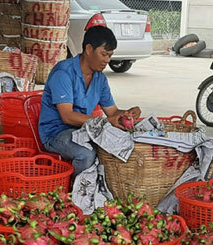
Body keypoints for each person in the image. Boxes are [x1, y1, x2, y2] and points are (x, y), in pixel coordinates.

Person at [38, 26, 141, 175]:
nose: (107, 60)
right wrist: (105, 122)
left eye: (110, 56)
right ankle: (77, 192)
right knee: (86, 153)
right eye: (103, 54)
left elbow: (112, 111)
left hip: (83, 130)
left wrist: (128, 113)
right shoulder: (63, 73)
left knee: (124, 142)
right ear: (88, 49)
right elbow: (67, 116)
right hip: (56, 133)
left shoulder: (100, 79)